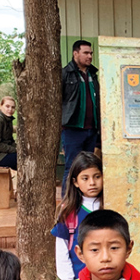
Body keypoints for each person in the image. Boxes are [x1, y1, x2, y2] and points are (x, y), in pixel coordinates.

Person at [52, 152, 103, 280]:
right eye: (85, 178)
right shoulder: (69, 212)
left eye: (97, 177)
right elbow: (62, 249)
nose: (92, 183)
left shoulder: (111, 207)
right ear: (75, 182)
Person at [61, 39, 101, 183]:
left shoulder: (93, 74)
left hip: (91, 130)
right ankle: (68, 203)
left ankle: (83, 202)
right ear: (75, 53)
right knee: (71, 167)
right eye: (86, 53)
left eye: (91, 53)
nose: (89, 56)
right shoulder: (66, 74)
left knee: (87, 168)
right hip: (73, 129)